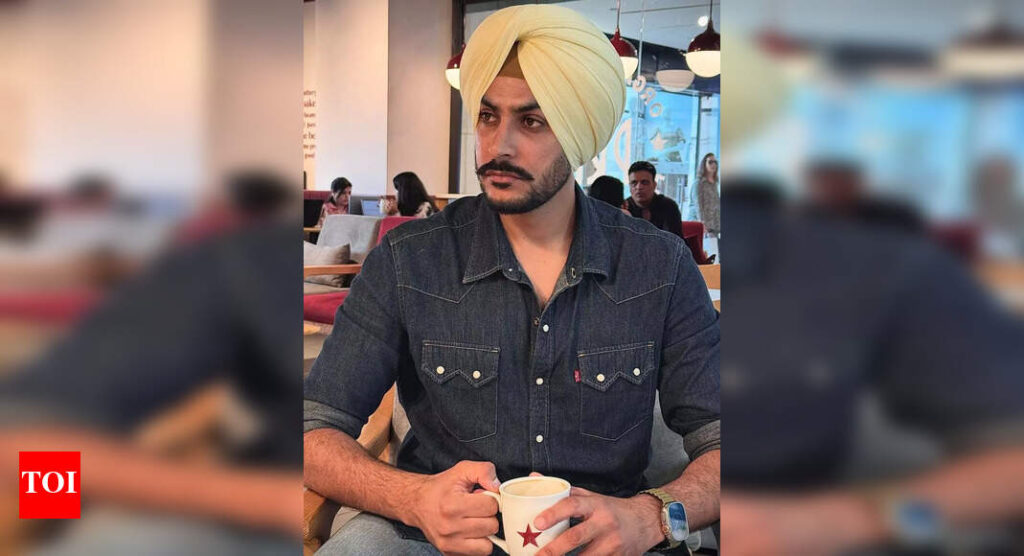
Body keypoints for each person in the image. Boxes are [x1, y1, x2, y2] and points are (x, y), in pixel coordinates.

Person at [304, 5, 720, 556]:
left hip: (609, 536)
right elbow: (313, 428)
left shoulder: (659, 266)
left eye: (532, 121)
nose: (498, 146)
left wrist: (652, 516)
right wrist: (413, 497)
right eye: (487, 116)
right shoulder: (409, 261)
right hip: (433, 538)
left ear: (579, 133)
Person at [626, 161, 685, 239]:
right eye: (634, 183)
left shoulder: (669, 206)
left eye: (644, 182)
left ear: (654, 185)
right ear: (629, 187)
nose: (639, 187)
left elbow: (675, 240)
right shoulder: (623, 208)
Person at [696, 153, 720, 236]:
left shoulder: (715, 184)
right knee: (710, 244)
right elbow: (698, 205)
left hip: (716, 225)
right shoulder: (700, 183)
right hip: (706, 227)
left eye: (715, 162)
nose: (713, 164)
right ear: (704, 164)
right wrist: (702, 223)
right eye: (710, 162)